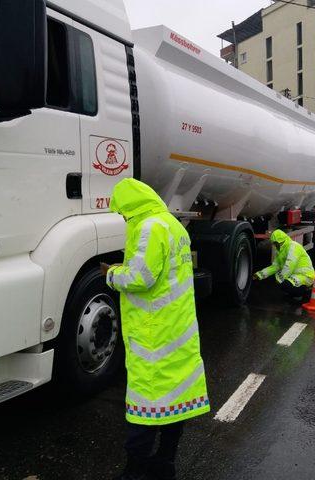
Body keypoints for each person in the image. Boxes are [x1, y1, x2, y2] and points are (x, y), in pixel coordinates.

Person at [105, 178, 210, 480]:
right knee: (173, 399)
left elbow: (141, 277)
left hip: (153, 332)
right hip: (177, 327)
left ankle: (134, 473)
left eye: (122, 211)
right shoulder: (172, 224)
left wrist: (111, 274)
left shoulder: (148, 227)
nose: (122, 217)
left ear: (130, 205)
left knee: (144, 405)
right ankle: (165, 463)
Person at [253, 229, 315, 301]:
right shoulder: (280, 251)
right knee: (282, 283)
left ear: (281, 241)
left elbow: (289, 265)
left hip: (306, 276)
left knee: (285, 284)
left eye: (276, 243)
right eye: (274, 243)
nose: (275, 245)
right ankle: (294, 291)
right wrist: (259, 274)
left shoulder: (293, 247)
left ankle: (307, 290)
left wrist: (280, 279)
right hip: (296, 274)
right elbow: (275, 267)